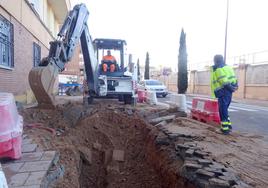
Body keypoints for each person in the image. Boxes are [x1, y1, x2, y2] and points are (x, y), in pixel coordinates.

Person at [210, 54, 238, 134]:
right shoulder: (228, 67)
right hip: (228, 92)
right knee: (225, 109)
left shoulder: (218, 69)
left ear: (215, 60)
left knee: (222, 110)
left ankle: (224, 129)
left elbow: (224, 81)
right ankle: (228, 126)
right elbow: (234, 79)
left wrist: (230, 88)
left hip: (223, 92)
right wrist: (234, 87)